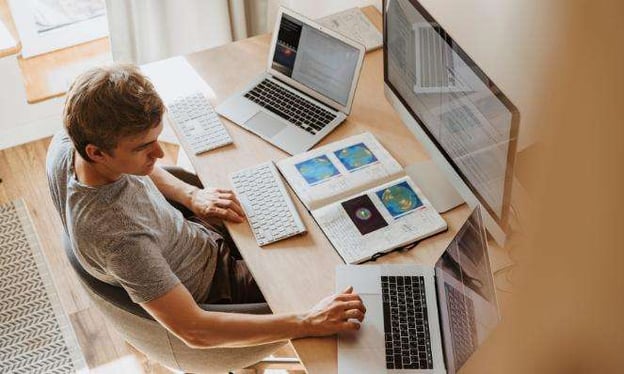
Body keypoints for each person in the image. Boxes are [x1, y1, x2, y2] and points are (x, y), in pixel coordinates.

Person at [46, 64, 365, 349]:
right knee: (345, 279)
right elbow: (195, 331)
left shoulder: (70, 142)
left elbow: (143, 167)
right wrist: (308, 323)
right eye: (144, 147)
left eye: (157, 138)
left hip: (193, 236)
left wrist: (190, 196)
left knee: (301, 201)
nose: (159, 154)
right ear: (97, 152)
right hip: (218, 289)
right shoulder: (118, 239)